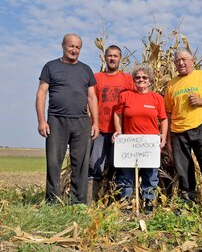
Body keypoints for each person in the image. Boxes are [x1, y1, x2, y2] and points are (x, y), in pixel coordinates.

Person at [36, 33, 99, 204]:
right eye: (71, 46)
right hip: (57, 120)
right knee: (54, 163)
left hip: (82, 122)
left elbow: (92, 97)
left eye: (77, 47)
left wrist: (95, 123)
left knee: (81, 164)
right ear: (63, 45)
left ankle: (78, 203)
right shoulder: (50, 67)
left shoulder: (86, 70)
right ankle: (53, 202)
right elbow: (41, 94)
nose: (74, 50)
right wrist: (42, 121)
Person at [165, 47, 202, 216]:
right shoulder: (171, 84)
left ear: (192, 60)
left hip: (200, 128)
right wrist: (169, 137)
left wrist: (200, 101)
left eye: (184, 59)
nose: (181, 63)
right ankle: (190, 206)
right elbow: (169, 112)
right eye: (177, 61)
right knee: (184, 170)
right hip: (178, 132)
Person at [113, 63, 168, 213]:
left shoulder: (156, 98)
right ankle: (126, 204)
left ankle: (149, 203)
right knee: (126, 175)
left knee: (151, 175)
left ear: (150, 80)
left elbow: (163, 119)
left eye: (144, 77)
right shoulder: (126, 96)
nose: (141, 80)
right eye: (137, 77)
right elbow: (117, 114)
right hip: (130, 144)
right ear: (134, 80)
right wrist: (118, 132)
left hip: (149, 145)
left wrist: (163, 136)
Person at [88, 45, 134, 202]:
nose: (112, 58)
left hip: (121, 131)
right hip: (99, 129)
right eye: (109, 56)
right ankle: (90, 202)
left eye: (115, 56)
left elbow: (135, 100)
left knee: (120, 166)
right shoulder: (96, 78)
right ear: (105, 58)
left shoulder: (127, 79)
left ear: (120, 58)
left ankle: (118, 202)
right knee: (94, 165)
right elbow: (89, 100)